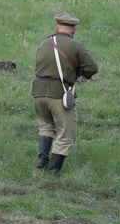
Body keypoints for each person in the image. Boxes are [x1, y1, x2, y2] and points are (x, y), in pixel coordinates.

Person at [32, 12, 98, 173]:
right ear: (73, 30)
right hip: (59, 94)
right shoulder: (76, 46)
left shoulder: (44, 43)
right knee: (66, 133)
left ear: (57, 27)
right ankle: (53, 171)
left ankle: (42, 160)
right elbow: (92, 68)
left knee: (46, 126)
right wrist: (79, 74)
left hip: (38, 93)